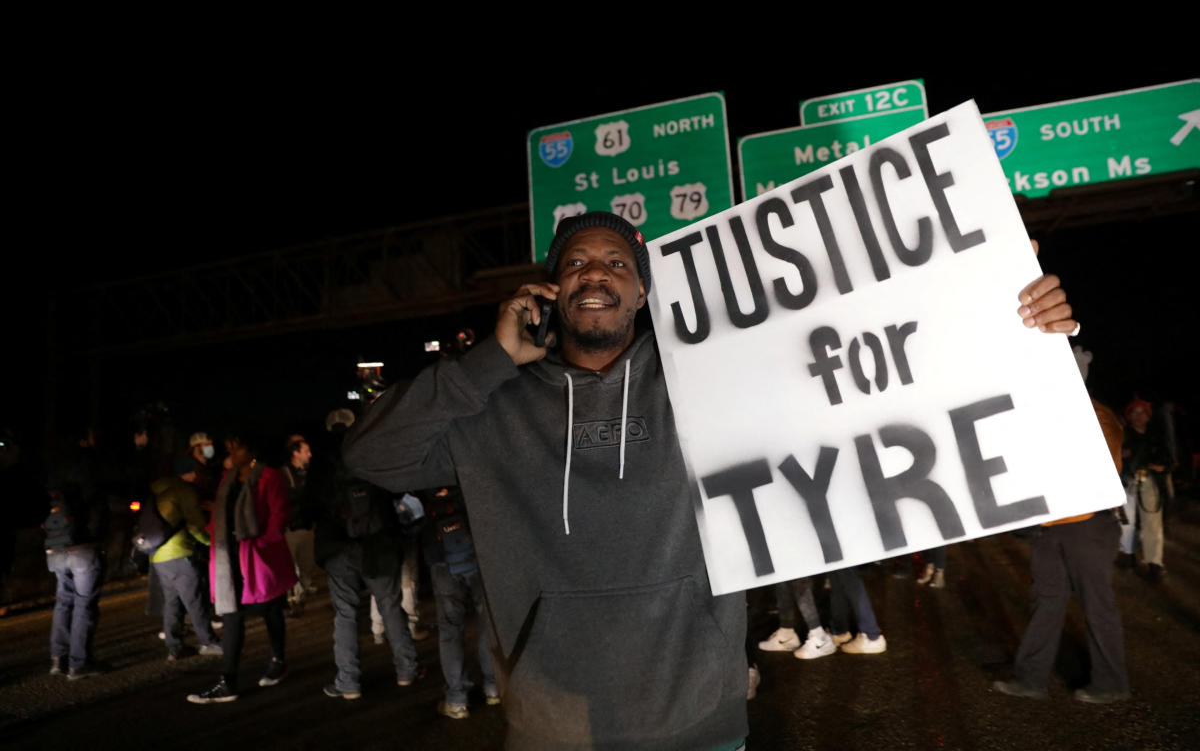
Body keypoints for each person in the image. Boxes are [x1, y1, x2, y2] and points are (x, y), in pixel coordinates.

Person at [343, 213, 1079, 749]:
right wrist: (489, 362)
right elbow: (370, 456)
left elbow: (876, 376)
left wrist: (1006, 317)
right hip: (555, 731)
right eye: (575, 263)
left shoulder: (709, 378)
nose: (595, 272)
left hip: (702, 726)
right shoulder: (490, 406)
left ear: (641, 297)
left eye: (616, 264)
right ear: (548, 289)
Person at [993, 398, 1131, 703]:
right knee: (1046, 602)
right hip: (1050, 527)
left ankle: (1111, 682)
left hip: (1088, 525)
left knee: (1097, 604)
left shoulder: (1096, 413)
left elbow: (1109, 459)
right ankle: (1030, 678)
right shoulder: (1036, 414)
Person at [187, 432, 296, 704]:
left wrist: (263, 543)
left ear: (251, 451)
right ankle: (228, 681)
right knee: (231, 615)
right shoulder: (229, 479)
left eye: (235, 449)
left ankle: (278, 660)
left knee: (271, 609)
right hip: (228, 556)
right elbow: (221, 513)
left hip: (259, 556)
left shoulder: (269, 476)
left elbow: (279, 515)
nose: (230, 455)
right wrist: (211, 535)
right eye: (229, 449)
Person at [314, 434, 419, 699]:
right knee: (391, 606)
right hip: (379, 547)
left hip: (340, 551)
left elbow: (311, 509)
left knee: (346, 614)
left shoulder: (325, 472)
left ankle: (348, 683)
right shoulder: (374, 463)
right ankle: (407, 670)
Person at [421, 484, 499, 718]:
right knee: (487, 623)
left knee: (450, 630)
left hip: (441, 561)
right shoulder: (463, 463)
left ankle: (457, 700)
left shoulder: (419, 473)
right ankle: (493, 688)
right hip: (476, 555)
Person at [44, 429, 109, 679]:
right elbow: (99, 503)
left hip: (55, 545)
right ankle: (79, 662)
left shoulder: (53, 467)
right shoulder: (90, 466)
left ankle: (58, 659)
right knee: (84, 604)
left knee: (63, 601)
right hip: (83, 546)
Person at [149, 458, 222, 660]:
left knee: (172, 602)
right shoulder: (184, 491)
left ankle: (175, 647)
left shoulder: (155, 489)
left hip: (157, 554)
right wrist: (211, 541)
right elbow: (195, 525)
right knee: (195, 600)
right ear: (190, 472)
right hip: (180, 552)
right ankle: (208, 642)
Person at [1119, 399, 1170, 582]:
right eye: (1134, 412)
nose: (1138, 416)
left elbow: (1169, 459)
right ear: (1129, 416)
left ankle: (1154, 562)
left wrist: (1162, 467)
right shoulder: (1122, 435)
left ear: (1148, 416)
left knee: (1152, 522)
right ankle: (1128, 554)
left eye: (1142, 413)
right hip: (1126, 482)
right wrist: (1122, 456)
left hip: (1150, 482)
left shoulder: (1157, 436)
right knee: (1126, 521)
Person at [282, 436, 318, 613]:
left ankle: (300, 593)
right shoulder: (284, 474)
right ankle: (295, 598)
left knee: (306, 564)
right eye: (306, 451)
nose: (310, 455)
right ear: (295, 453)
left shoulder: (311, 473)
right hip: (292, 527)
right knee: (292, 566)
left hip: (307, 525)